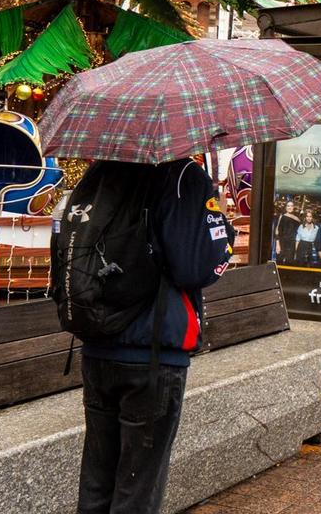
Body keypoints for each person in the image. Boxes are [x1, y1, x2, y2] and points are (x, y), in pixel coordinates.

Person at [75, 159, 233, 514]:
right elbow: (195, 268)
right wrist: (222, 232)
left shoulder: (101, 171)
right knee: (139, 485)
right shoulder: (183, 176)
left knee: (97, 478)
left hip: (97, 342)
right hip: (155, 350)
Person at [273, 199, 299, 264]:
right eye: (288, 206)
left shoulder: (297, 219)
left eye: (291, 206)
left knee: (289, 262)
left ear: (293, 207)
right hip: (282, 242)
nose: (290, 207)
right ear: (286, 207)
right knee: (279, 261)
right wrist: (277, 244)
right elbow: (277, 231)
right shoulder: (281, 217)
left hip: (292, 244)